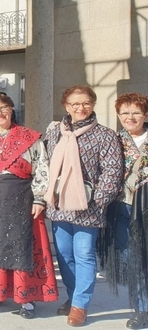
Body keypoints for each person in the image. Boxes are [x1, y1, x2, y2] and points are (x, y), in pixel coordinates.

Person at [44, 86, 123, 327]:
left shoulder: (105, 135)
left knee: (84, 254)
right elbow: (45, 163)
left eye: (86, 103)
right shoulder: (54, 132)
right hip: (60, 206)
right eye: (75, 104)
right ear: (66, 106)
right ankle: (72, 296)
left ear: (93, 104)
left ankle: (80, 305)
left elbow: (113, 171)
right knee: (65, 255)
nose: (81, 108)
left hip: (88, 206)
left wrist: (98, 200)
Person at [0, 92, 58, 319]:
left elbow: (42, 169)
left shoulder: (30, 137)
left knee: (22, 248)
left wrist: (39, 198)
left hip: (23, 199)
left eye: (3, 108)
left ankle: (25, 299)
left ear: (11, 108)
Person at [99, 93, 148, 330]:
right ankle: (142, 308)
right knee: (133, 259)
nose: (130, 117)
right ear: (118, 116)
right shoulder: (113, 140)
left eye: (136, 112)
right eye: (125, 113)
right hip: (123, 208)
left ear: (145, 115)